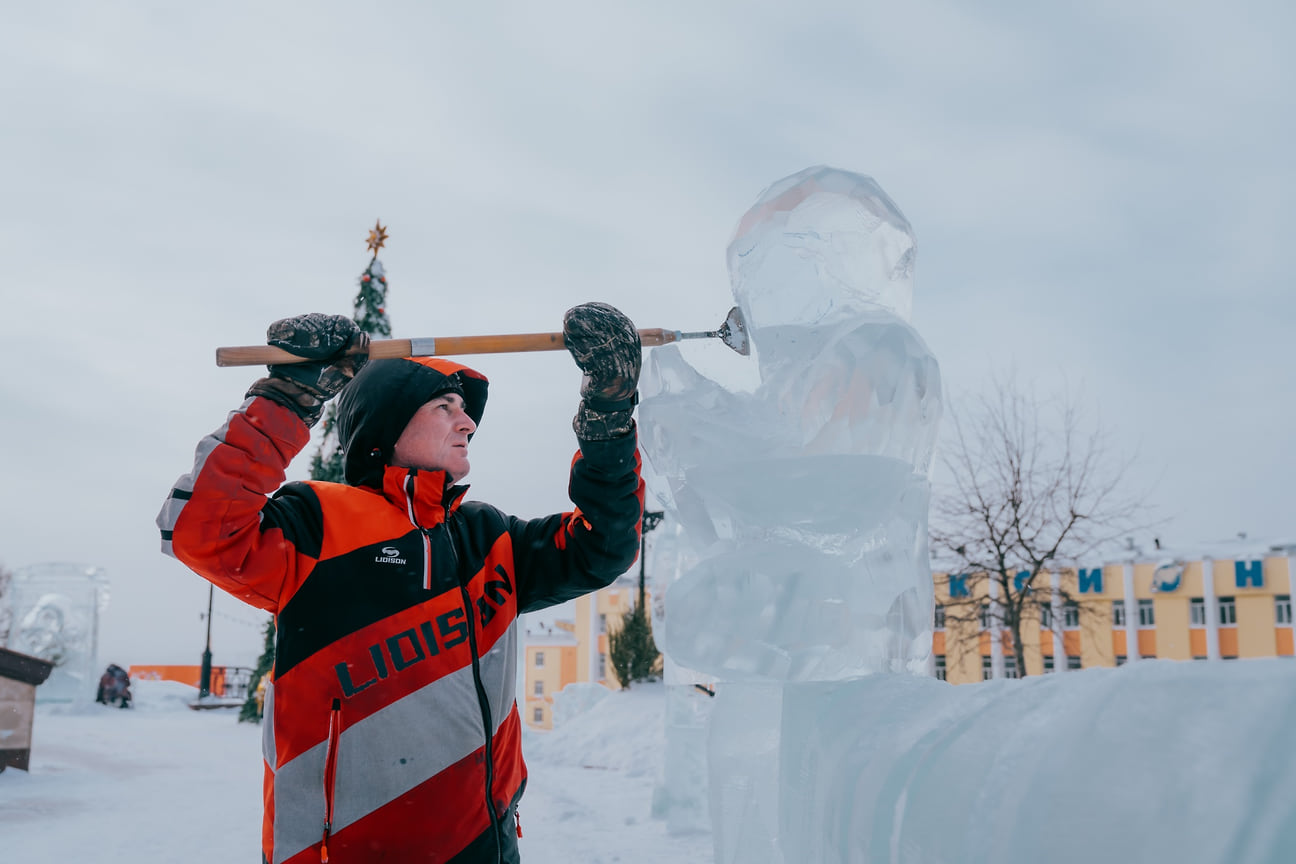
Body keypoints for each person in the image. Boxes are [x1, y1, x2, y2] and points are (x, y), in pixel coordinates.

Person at [156, 304, 645, 864]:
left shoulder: (488, 537)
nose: (468, 423)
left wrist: (607, 415)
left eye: (466, 411)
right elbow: (201, 532)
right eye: (445, 406)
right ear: (386, 428)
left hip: (486, 848)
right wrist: (288, 399)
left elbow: (603, 546)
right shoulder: (317, 522)